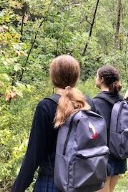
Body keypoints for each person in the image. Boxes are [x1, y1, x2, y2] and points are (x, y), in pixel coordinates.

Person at [11, 55, 91, 192]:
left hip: (52, 181)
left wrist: (18, 188)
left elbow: (34, 153)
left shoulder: (46, 106)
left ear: (53, 77)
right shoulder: (87, 104)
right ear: (76, 77)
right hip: (81, 180)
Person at [93, 65, 126, 192]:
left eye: (96, 76)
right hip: (119, 150)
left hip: (103, 154)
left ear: (101, 79)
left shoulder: (96, 102)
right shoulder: (121, 99)